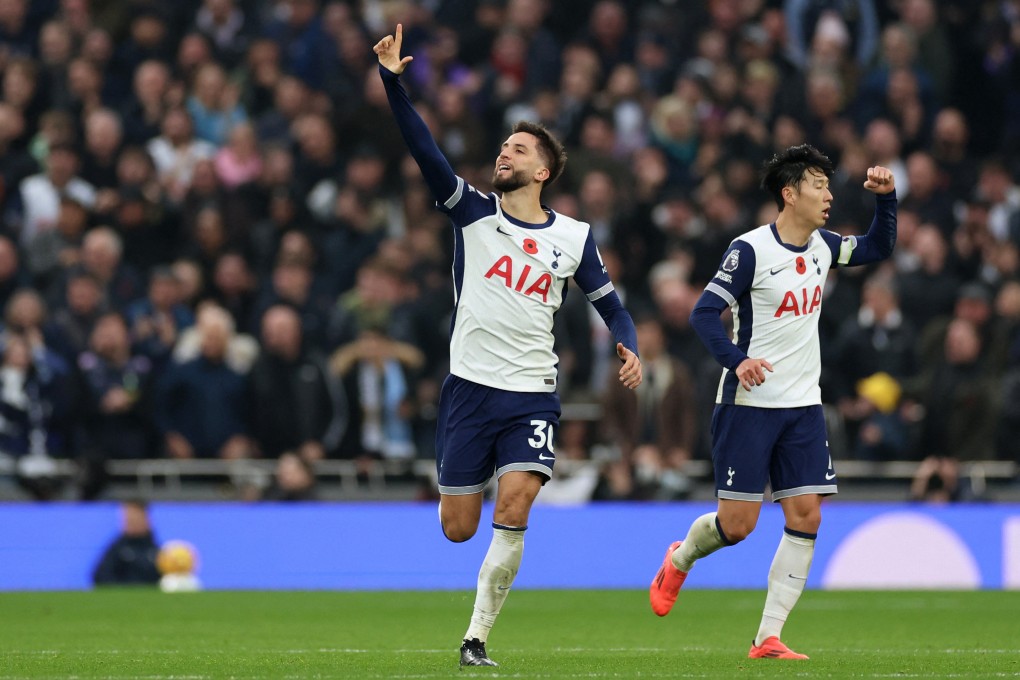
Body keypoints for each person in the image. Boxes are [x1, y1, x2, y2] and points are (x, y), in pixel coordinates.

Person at [374, 24, 642, 668]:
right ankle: (476, 537)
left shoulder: (574, 237)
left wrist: (628, 345)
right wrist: (393, 82)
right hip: (469, 389)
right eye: (502, 146)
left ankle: (476, 639)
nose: (504, 154)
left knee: (517, 501)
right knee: (458, 527)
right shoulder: (473, 213)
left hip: (532, 394)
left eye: (517, 149)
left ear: (542, 170)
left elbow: (608, 302)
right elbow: (425, 151)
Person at [648, 144, 896, 659]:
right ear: (790, 193)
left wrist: (887, 200)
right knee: (737, 526)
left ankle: (768, 637)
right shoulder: (750, 250)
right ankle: (680, 559)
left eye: (828, 185)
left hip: (803, 406)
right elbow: (702, 314)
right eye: (818, 185)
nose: (828, 195)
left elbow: (876, 248)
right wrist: (737, 359)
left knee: (807, 515)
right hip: (748, 405)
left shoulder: (824, 246)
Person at [92, 499, 161, 586]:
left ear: (146, 519)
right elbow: (100, 576)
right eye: (127, 518)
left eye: (134, 518)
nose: (130, 522)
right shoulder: (117, 549)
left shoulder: (155, 550)